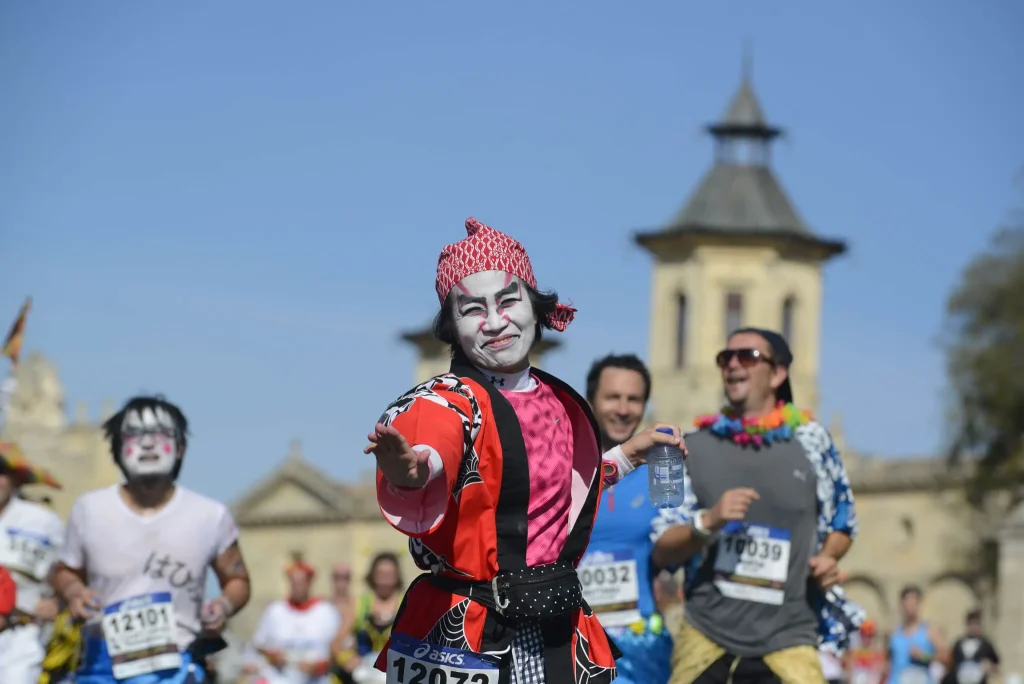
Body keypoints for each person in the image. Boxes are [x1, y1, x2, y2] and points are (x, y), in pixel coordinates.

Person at [363, 217, 686, 683]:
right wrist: (412, 469)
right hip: (465, 636)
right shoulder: (447, 398)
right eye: (472, 309)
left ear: (534, 307)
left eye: (508, 301)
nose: (495, 322)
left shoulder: (557, 400)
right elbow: (435, 446)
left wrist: (630, 456)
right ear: (452, 327)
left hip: (554, 628)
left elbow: (554, 495)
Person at [652, 328, 864, 683]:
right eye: (725, 358)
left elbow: (844, 523)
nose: (733, 364)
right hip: (705, 641)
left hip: (789, 642)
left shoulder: (814, 440)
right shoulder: (684, 447)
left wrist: (828, 557)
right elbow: (661, 548)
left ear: (778, 374)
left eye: (747, 357)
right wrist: (708, 521)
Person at [50, 394, 252, 684]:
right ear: (117, 448)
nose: (147, 444)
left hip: (177, 665)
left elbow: (237, 580)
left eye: (160, 434)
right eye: (134, 434)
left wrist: (223, 606)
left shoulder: (210, 515)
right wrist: (74, 592)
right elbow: (64, 571)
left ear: (180, 447)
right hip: (102, 666)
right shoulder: (89, 510)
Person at [578, 353, 675, 684]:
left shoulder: (663, 474)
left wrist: (707, 525)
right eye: (612, 397)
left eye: (633, 399)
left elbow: (677, 546)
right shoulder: (563, 466)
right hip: (569, 639)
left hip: (639, 648)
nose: (623, 408)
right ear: (591, 400)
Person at [0, 440, 65, 684]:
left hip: (21, 637)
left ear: (15, 478)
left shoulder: (43, 521)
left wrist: (58, 601)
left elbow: (70, 568)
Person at [251, 559, 341, 684]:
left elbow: (338, 651)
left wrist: (319, 667)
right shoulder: (275, 610)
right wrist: (273, 656)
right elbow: (258, 645)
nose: (297, 587)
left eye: (301, 582)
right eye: (293, 582)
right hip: (280, 679)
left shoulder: (326, 611)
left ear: (309, 583)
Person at [887, 585, 947, 684]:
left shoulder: (930, 631)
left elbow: (946, 658)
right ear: (901, 605)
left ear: (919, 604)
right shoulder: (893, 633)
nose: (911, 606)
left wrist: (924, 656)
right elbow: (887, 663)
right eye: (908, 602)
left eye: (914, 602)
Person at [943, 609, 999, 684]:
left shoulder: (986, 645)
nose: (973, 627)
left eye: (976, 624)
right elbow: (949, 664)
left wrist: (989, 667)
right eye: (971, 624)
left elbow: (997, 666)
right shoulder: (958, 644)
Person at [844, 619, 887, 684]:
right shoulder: (853, 652)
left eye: (869, 635)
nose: (866, 638)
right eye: (863, 634)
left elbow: (884, 673)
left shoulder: (879, 654)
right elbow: (848, 670)